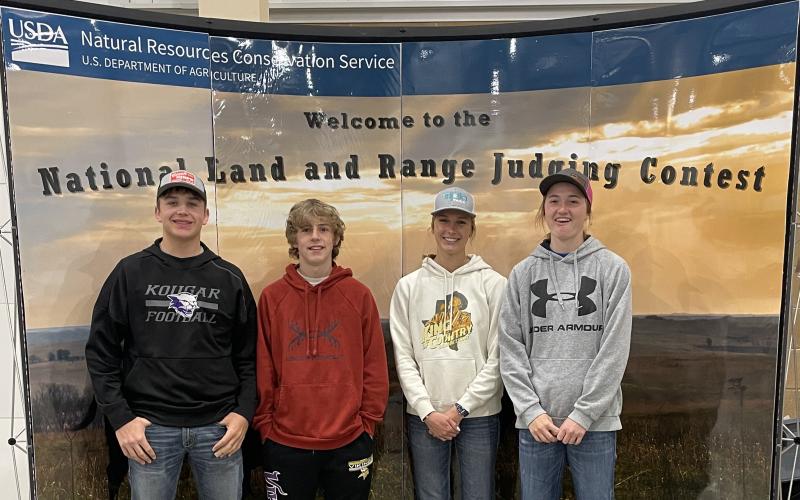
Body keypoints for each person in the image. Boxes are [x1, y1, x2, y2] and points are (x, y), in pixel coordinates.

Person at [85, 170, 257, 500]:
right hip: (150, 431)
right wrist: (122, 420)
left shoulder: (229, 278)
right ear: (157, 211)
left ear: (206, 215)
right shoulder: (130, 272)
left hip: (219, 429)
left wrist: (243, 414)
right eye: (172, 202)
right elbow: (101, 352)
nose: (182, 210)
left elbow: (248, 356)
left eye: (193, 203)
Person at [499, 169, 632, 500]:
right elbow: (510, 347)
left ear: (587, 210)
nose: (563, 209)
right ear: (543, 209)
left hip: (595, 425)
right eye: (554, 201)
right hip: (537, 426)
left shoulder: (613, 269)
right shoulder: (522, 273)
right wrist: (531, 411)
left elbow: (615, 349)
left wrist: (584, 413)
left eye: (573, 201)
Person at [254, 199, 389, 500]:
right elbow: (263, 366)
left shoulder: (359, 295)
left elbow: (375, 366)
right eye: (305, 230)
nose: (315, 236)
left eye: (323, 229)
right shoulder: (272, 297)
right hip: (285, 442)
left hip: (350, 440)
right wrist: (266, 426)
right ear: (294, 239)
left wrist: (367, 424)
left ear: (336, 238)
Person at [390, 187, 507, 499]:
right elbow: (404, 357)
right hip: (425, 416)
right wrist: (428, 411)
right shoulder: (408, 287)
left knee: (479, 494)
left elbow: (499, 358)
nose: (451, 230)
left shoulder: (495, 285)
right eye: (444, 220)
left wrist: (460, 409)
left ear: (472, 229)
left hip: (480, 416)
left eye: (460, 222)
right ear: (432, 226)